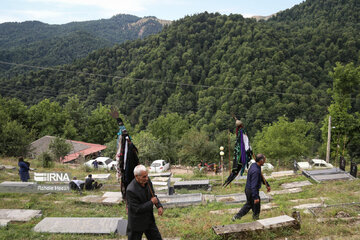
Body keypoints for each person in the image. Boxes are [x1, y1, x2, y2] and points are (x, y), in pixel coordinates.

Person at [126, 165, 163, 240]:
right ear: (136, 176)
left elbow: (153, 195)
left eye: (147, 176)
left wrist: (159, 205)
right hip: (137, 222)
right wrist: (151, 202)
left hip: (149, 219)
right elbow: (137, 209)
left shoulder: (147, 181)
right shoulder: (131, 190)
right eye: (144, 177)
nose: (146, 178)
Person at [232, 154, 271, 221]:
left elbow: (261, 177)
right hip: (251, 190)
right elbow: (254, 185)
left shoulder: (254, 165)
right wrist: (255, 197)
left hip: (250, 189)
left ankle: (254, 218)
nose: (265, 161)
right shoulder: (255, 171)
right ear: (261, 161)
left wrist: (267, 185)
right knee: (251, 205)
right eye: (264, 160)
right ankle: (237, 217)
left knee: (253, 206)